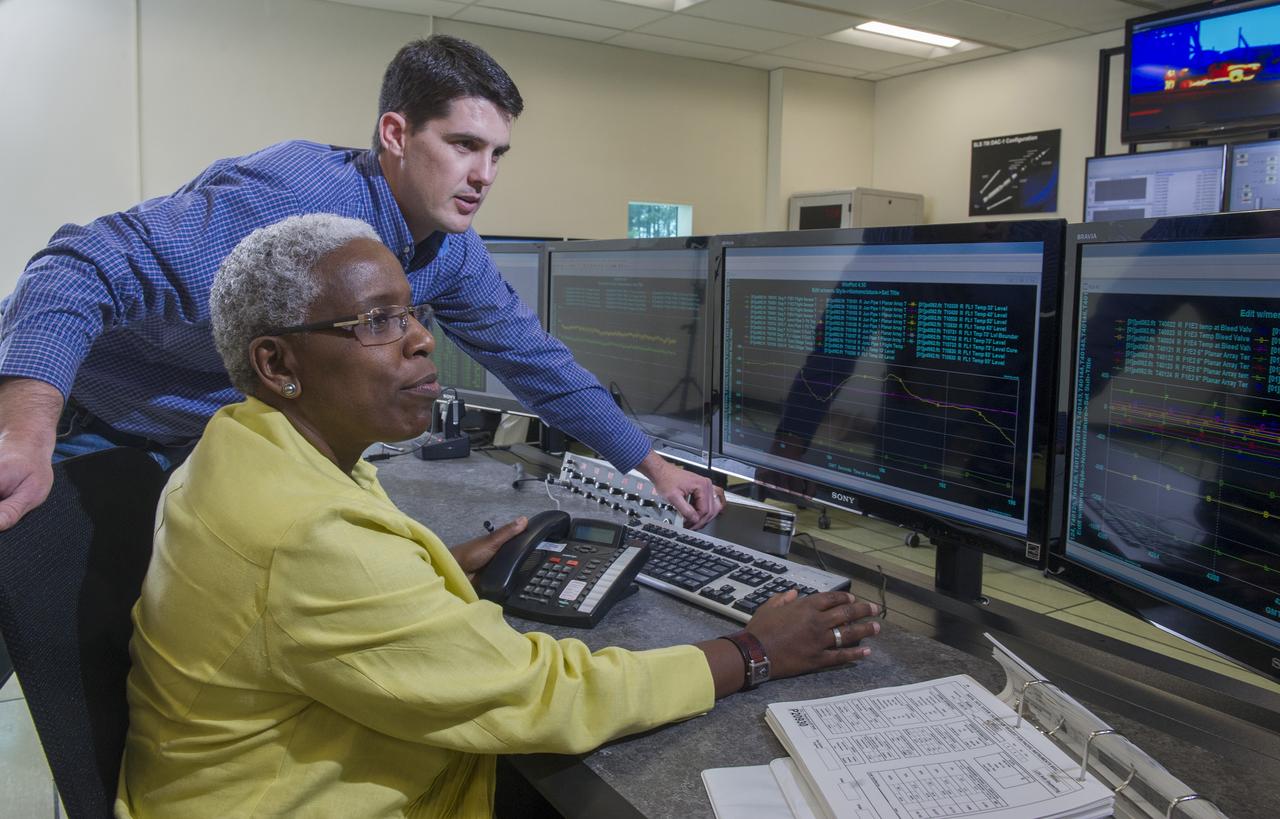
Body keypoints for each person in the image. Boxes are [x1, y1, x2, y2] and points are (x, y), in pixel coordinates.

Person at [114, 213, 881, 817]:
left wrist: (424, 576)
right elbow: (545, 694)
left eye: (412, 313)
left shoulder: (239, 448)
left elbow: (308, 593)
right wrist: (754, 649)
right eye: (377, 322)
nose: (421, 340)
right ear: (277, 364)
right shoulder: (307, 536)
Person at [0, 34, 719, 533]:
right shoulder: (289, 203)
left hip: (186, 443)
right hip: (77, 418)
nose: (485, 175)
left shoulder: (446, 249)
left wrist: (652, 465)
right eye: (464, 145)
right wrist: (24, 427)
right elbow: (79, 266)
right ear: (397, 135)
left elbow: (535, 361)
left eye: (498, 153)